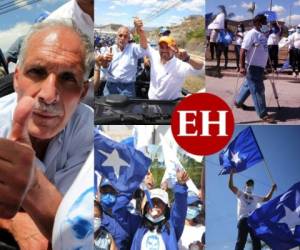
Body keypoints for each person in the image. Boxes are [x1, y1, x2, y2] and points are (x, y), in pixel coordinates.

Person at [0, 19, 94, 248]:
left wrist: (32, 181)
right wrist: (11, 222)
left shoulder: (89, 130)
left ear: (82, 93)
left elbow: (77, 225)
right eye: (37, 72)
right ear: (16, 79)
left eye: (67, 78)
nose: (49, 95)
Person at [137, 18, 203, 100]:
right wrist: (140, 32)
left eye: (167, 47)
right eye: (162, 47)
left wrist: (188, 58)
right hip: (152, 102)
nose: (164, 50)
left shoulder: (180, 63)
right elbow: (145, 46)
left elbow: (201, 67)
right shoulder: (155, 54)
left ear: (173, 48)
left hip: (170, 106)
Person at [131, 170, 189, 250]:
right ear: (146, 207)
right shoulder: (139, 226)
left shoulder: (172, 227)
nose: (155, 205)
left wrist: (180, 186)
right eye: (152, 201)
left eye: (159, 202)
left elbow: (180, 209)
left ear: (166, 207)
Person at [234, 14, 275, 123]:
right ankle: (263, 114)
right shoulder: (251, 34)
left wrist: (265, 66)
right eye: (264, 22)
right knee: (258, 90)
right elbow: (243, 50)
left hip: (259, 67)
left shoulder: (262, 34)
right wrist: (242, 66)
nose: (266, 24)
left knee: (248, 85)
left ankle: (238, 102)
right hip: (252, 66)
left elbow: (264, 51)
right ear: (258, 23)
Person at [228, 170, 277, 250]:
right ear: (245, 186)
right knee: (241, 242)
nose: (250, 185)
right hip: (243, 220)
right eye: (248, 183)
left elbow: (266, 198)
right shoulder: (241, 194)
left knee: (257, 243)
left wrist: (272, 189)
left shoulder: (255, 197)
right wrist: (231, 174)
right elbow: (231, 186)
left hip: (253, 221)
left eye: (251, 184)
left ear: (253, 187)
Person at [101, 18, 146, 97]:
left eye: (125, 36)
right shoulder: (110, 49)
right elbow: (104, 69)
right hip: (110, 86)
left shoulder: (133, 48)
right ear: (116, 37)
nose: (122, 38)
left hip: (127, 88)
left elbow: (143, 48)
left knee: (128, 109)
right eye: (120, 35)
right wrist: (104, 62)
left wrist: (141, 31)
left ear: (128, 39)